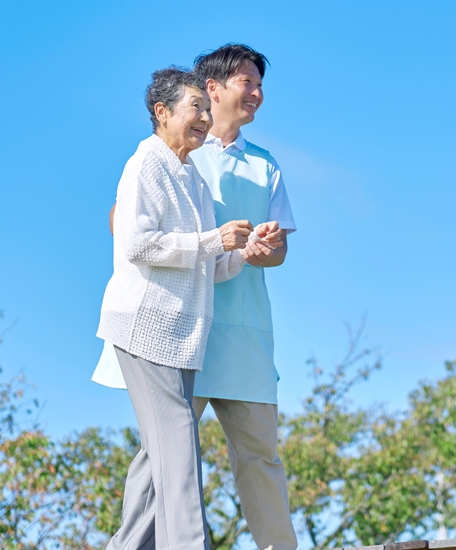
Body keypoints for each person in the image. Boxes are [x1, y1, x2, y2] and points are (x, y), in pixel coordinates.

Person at [97, 44, 299, 550]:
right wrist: (213, 241)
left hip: (230, 331)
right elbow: (129, 233)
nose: (257, 93)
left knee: (229, 455)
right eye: (247, 82)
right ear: (210, 89)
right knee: (167, 456)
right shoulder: (163, 157)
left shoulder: (249, 167)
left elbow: (251, 255)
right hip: (169, 327)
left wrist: (253, 249)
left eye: (260, 85)